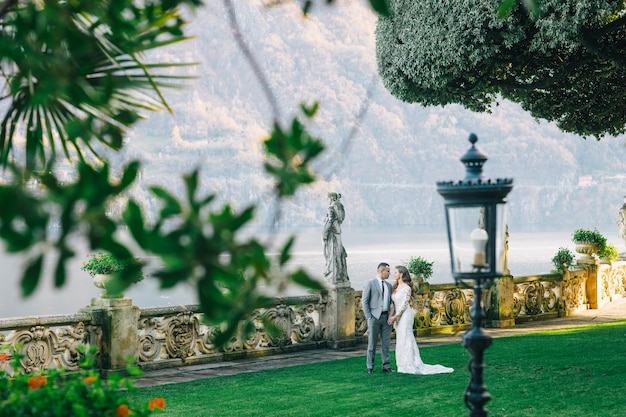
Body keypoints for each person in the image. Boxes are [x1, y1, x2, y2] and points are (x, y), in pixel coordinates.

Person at [388, 265, 454, 375]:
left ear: (401, 274)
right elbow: (394, 305)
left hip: (405, 316)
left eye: (395, 272)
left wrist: (395, 317)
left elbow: (404, 304)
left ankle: (410, 364)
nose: (394, 274)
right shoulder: (395, 287)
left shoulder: (407, 288)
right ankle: (402, 364)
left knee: (407, 338)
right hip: (397, 316)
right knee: (400, 339)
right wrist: (391, 316)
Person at [361, 262, 393, 373]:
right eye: (388, 271)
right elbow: (364, 301)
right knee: (372, 344)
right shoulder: (370, 283)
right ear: (381, 271)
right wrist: (369, 317)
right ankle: (370, 366)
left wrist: (391, 316)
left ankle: (386, 366)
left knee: (386, 344)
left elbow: (390, 302)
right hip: (374, 318)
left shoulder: (389, 286)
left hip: (386, 318)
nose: (390, 273)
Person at [322, 192, 348, 283]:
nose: (327, 200)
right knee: (339, 254)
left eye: (328, 198)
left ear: (331, 198)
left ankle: (333, 275)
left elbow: (330, 221)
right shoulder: (339, 206)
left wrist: (324, 234)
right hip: (338, 232)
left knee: (332, 255)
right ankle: (340, 274)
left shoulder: (331, 208)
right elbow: (341, 219)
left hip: (332, 234)